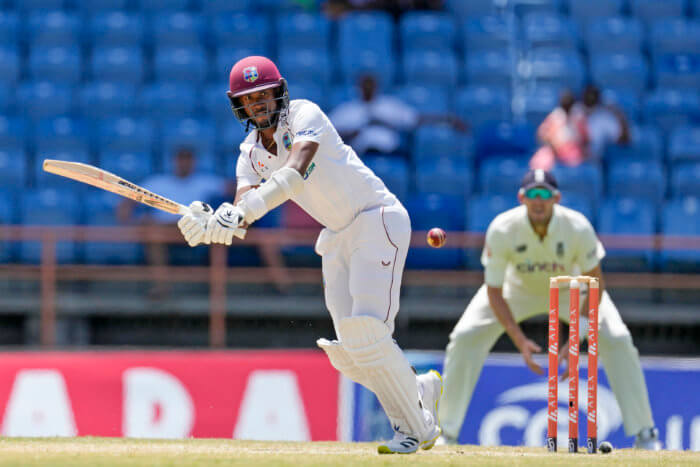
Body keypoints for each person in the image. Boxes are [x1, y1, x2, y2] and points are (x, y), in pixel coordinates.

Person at [175, 55, 442, 454]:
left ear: (279, 93)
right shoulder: (249, 154)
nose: (260, 104)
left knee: (368, 332)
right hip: (336, 235)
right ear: (240, 106)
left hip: (376, 218)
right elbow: (241, 218)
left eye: (265, 94)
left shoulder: (304, 114)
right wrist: (210, 225)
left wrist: (240, 212)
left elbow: (295, 171)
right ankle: (419, 387)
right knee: (351, 350)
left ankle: (416, 430)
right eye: (251, 99)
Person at [437, 169, 662, 450]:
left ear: (556, 198)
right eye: (533, 194)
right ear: (522, 197)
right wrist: (518, 339)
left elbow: (596, 283)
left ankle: (645, 433)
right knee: (466, 336)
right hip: (516, 289)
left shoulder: (577, 227)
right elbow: (494, 291)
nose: (538, 200)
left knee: (617, 339)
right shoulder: (502, 228)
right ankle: (446, 431)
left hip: (573, 289)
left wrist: (576, 337)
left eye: (545, 194)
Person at [117, 147, 229, 296]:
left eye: (188, 159)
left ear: (194, 162)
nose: (184, 163)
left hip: (196, 230)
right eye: (181, 159)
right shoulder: (158, 182)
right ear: (174, 161)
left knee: (218, 233)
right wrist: (135, 221)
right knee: (153, 235)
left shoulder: (206, 182)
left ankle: (217, 289)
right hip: (163, 231)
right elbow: (126, 205)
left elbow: (234, 190)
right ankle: (161, 286)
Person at [329, 74, 419, 156]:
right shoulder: (349, 109)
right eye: (365, 85)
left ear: (376, 86)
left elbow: (413, 120)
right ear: (359, 87)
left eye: (371, 85)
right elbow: (329, 129)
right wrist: (352, 132)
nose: (368, 88)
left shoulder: (389, 105)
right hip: (361, 154)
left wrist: (385, 123)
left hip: (390, 153)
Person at [530, 90, 589, 170]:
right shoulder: (556, 116)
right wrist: (553, 146)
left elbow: (586, 139)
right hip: (555, 152)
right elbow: (541, 135)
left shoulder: (578, 117)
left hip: (575, 153)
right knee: (540, 161)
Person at [575, 84, 630, 161]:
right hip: (570, 158)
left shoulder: (604, 118)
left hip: (594, 161)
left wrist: (616, 111)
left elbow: (624, 138)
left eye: (592, 100)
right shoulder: (574, 111)